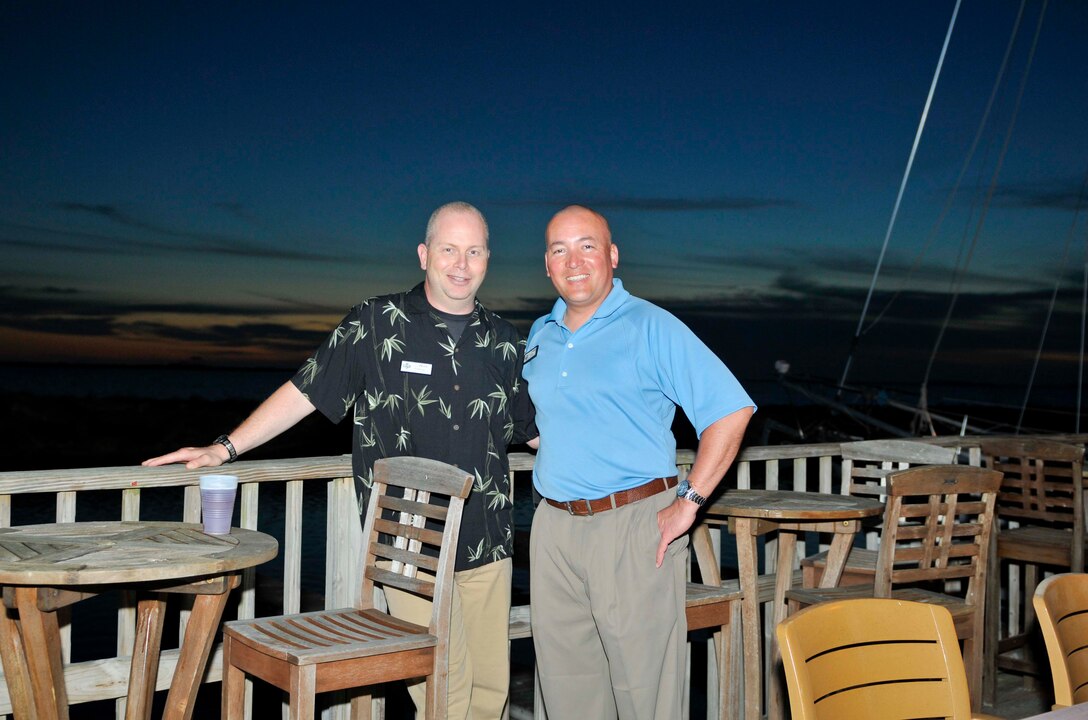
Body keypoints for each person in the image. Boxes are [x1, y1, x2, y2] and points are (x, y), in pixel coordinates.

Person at [144, 201, 536, 720]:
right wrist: (225, 447)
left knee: (490, 693)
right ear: (423, 255)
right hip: (410, 544)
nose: (461, 263)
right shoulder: (375, 323)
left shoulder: (506, 342)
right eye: (448, 249)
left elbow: (535, 433)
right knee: (448, 692)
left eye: (474, 251)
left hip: (489, 541)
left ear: (488, 258)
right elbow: (307, 391)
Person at [521, 205, 755, 719]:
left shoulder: (650, 325)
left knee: (645, 694)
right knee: (566, 693)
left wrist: (690, 501)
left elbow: (731, 411)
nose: (574, 260)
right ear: (546, 264)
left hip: (632, 526)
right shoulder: (541, 333)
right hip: (554, 527)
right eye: (560, 249)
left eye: (588, 245)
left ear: (612, 255)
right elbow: (549, 420)